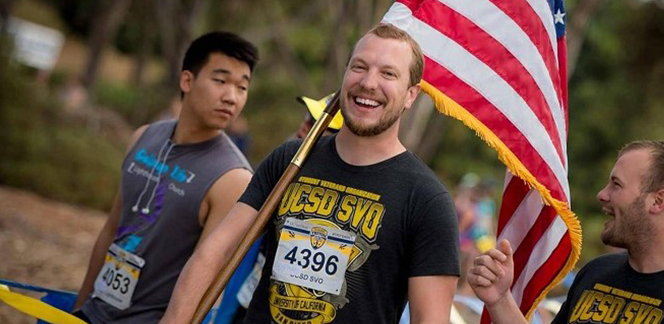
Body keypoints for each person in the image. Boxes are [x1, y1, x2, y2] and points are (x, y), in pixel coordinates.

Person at [161, 23, 460, 324]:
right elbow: (214, 254)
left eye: (388, 73)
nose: (369, 83)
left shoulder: (427, 199)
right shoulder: (289, 160)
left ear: (411, 95)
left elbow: (429, 319)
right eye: (359, 67)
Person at [72, 31, 259, 323]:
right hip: (94, 312)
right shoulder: (143, 137)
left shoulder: (233, 178)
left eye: (242, 87)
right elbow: (111, 229)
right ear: (187, 80)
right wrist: (79, 308)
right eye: (220, 81)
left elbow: (206, 278)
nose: (231, 97)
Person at [468, 140, 664, 324]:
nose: (602, 195)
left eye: (616, 185)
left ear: (658, 201)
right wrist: (500, 299)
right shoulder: (596, 273)